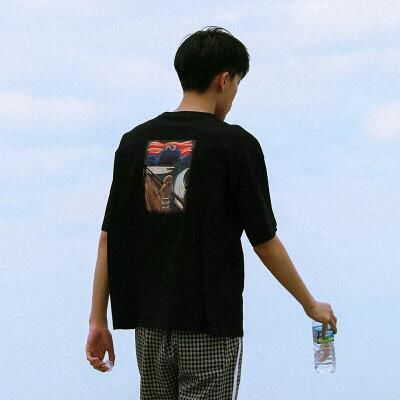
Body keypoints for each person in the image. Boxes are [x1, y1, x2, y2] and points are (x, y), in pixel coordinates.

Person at [86, 25, 338, 399]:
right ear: (224, 79)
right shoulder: (234, 145)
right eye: (236, 85)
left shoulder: (135, 142)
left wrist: (97, 320)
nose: (233, 96)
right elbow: (264, 242)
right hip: (210, 326)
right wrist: (309, 303)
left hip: (150, 327)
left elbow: (109, 239)